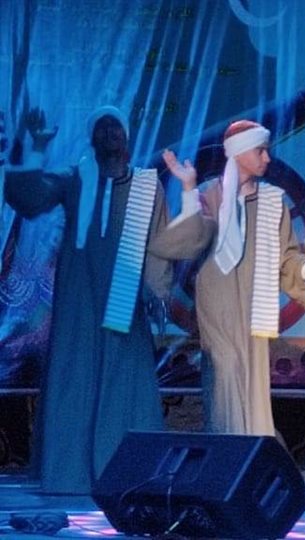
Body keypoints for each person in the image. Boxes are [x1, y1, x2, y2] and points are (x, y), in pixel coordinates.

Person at [3, 106, 169, 494]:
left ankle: (128, 475)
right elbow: (29, 199)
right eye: (102, 127)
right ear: (91, 139)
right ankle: (71, 475)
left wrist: (158, 291)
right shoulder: (75, 179)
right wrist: (36, 149)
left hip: (125, 303)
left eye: (116, 126)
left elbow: (158, 243)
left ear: (127, 138)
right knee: (74, 381)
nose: (110, 132)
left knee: (127, 386)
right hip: (79, 303)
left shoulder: (146, 186)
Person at [154, 120, 305, 436]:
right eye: (261, 151)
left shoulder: (272, 202)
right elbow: (191, 240)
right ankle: (227, 448)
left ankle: (252, 449)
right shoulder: (209, 196)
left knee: (254, 386)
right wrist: (189, 189)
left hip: (255, 307)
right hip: (218, 306)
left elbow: (287, 258)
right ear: (239, 152)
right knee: (225, 375)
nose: (267, 158)